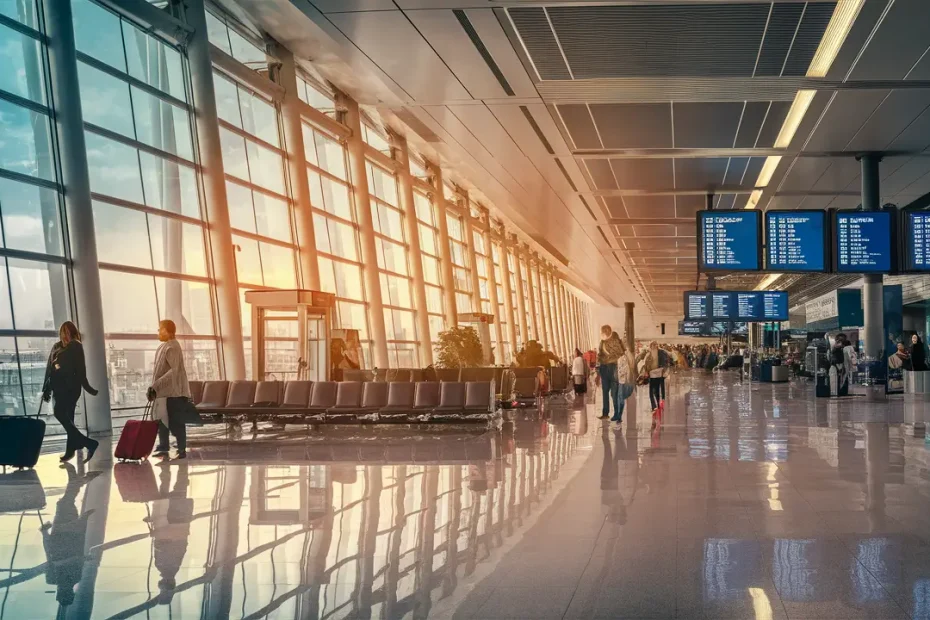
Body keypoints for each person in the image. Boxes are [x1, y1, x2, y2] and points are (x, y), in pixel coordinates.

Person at [42, 321, 100, 463]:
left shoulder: (75, 345)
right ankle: (72, 449)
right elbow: (49, 368)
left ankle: (88, 443)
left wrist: (88, 387)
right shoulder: (56, 347)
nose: (66, 335)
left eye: (69, 332)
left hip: (70, 388)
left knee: (59, 413)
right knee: (69, 420)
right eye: (64, 332)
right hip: (57, 388)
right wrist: (46, 388)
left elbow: (81, 369)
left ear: (73, 333)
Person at [149, 319, 192, 460]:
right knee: (161, 420)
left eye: (161, 329)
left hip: (175, 392)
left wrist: (155, 385)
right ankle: (163, 447)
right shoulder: (165, 347)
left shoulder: (172, 347)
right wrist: (155, 388)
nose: (158, 332)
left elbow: (174, 371)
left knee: (176, 421)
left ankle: (181, 449)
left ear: (169, 331)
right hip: (165, 392)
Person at [639, 341, 670, 412]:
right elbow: (646, 364)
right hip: (652, 374)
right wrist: (646, 371)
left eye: (654, 345)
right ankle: (654, 406)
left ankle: (657, 405)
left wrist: (664, 370)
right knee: (652, 391)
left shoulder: (661, 353)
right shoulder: (649, 354)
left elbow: (665, 362)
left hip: (658, 373)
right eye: (652, 345)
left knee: (656, 390)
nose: (653, 347)